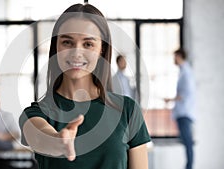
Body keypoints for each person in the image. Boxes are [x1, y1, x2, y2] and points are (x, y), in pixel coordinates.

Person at [19, 3, 151, 169]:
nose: (76, 52)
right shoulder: (36, 113)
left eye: (88, 44)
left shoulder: (128, 111)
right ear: (56, 47)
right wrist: (59, 142)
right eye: (67, 42)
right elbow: (38, 137)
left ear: (102, 49)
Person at [164, 49, 195, 169]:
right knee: (187, 142)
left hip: (185, 113)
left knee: (188, 143)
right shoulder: (183, 71)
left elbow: (186, 93)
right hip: (183, 112)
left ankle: (189, 167)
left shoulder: (186, 72)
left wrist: (171, 100)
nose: (174, 59)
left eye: (175, 57)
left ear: (180, 56)